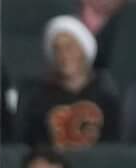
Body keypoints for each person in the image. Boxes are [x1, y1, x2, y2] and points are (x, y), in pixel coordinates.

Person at [17, 15, 118, 151]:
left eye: (69, 47)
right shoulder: (38, 98)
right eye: (57, 49)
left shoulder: (105, 94)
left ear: (84, 51)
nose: (63, 54)